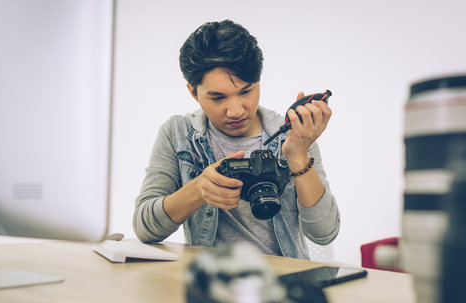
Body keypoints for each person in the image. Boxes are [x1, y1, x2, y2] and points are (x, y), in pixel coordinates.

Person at [133, 19, 340, 259]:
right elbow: (144, 229)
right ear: (193, 91)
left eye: (246, 91)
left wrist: (298, 156)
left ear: (259, 80)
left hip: (285, 284)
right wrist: (199, 189)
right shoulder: (178, 135)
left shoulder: (294, 135)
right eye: (218, 98)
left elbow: (325, 234)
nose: (236, 111)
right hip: (211, 282)